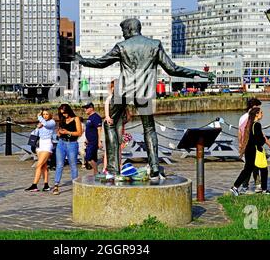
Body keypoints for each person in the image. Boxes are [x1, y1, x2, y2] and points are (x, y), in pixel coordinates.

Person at [76, 18, 208, 179]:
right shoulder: (155, 45)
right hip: (144, 90)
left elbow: (101, 62)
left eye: (124, 30)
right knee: (149, 128)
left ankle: (112, 168)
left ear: (130, 29)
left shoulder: (122, 46)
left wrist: (83, 60)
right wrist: (197, 73)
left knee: (110, 124)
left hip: (123, 90)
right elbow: (172, 69)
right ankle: (153, 167)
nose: (123, 34)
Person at [231, 107, 270, 196]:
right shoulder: (257, 125)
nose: (262, 114)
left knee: (248, 169)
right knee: (262, 169)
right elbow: (259, 139)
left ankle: (236, 187)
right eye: (261, 113)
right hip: (255, 150)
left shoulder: (250, 124)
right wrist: (265, 143)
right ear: (256, 114)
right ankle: (263, 189)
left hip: (249, 149)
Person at [53, 104, 83, 195]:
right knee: (59, 164)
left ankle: (75, 185)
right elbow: (59, 131)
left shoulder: (76, 119)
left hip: (72, 143)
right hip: (61, 143)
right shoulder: (62, 119)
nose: (64, 115)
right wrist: (58, 132)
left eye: (65, 113)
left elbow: (79, 133)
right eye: (62, 113)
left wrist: (67, 132)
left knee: (73, 165)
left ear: (69, 111)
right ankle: (56, 185)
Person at [25, 110, 56, 192]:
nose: (45, 116)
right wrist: (37, 127)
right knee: (43, 166)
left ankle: (34, 185)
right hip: (40, 145)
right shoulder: (42, 123)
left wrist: (39, 117)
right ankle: (46, 185)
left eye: (46, 114)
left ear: (50, 115)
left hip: (47, 145)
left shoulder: (51, 122)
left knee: (38, 165)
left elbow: (46, 124)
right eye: (43, 114)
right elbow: (34, 133)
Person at [238, 98, 263, 194]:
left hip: (247, 145)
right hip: (250, 145)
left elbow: (239, 132)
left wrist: (240, 144)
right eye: (258, 107)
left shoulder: (243, 117)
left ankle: (247, 185)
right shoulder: (249, 117)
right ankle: (247, 185)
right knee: (251, 166)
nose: (259, 109)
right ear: (253, 106)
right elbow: (244, 132)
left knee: (250, 166)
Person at [82, 102, 103, 175]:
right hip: (89, 141)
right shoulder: (89, 117)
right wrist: (86, 139)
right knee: (93, 158)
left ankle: (96, 171)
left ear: (91, 108)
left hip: (94, 141)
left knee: (88, 158)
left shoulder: (96, 117)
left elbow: (99, 129)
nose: (85, 110)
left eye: (86, 108)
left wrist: (100, 141)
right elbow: (89, 129)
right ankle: (95, 173)